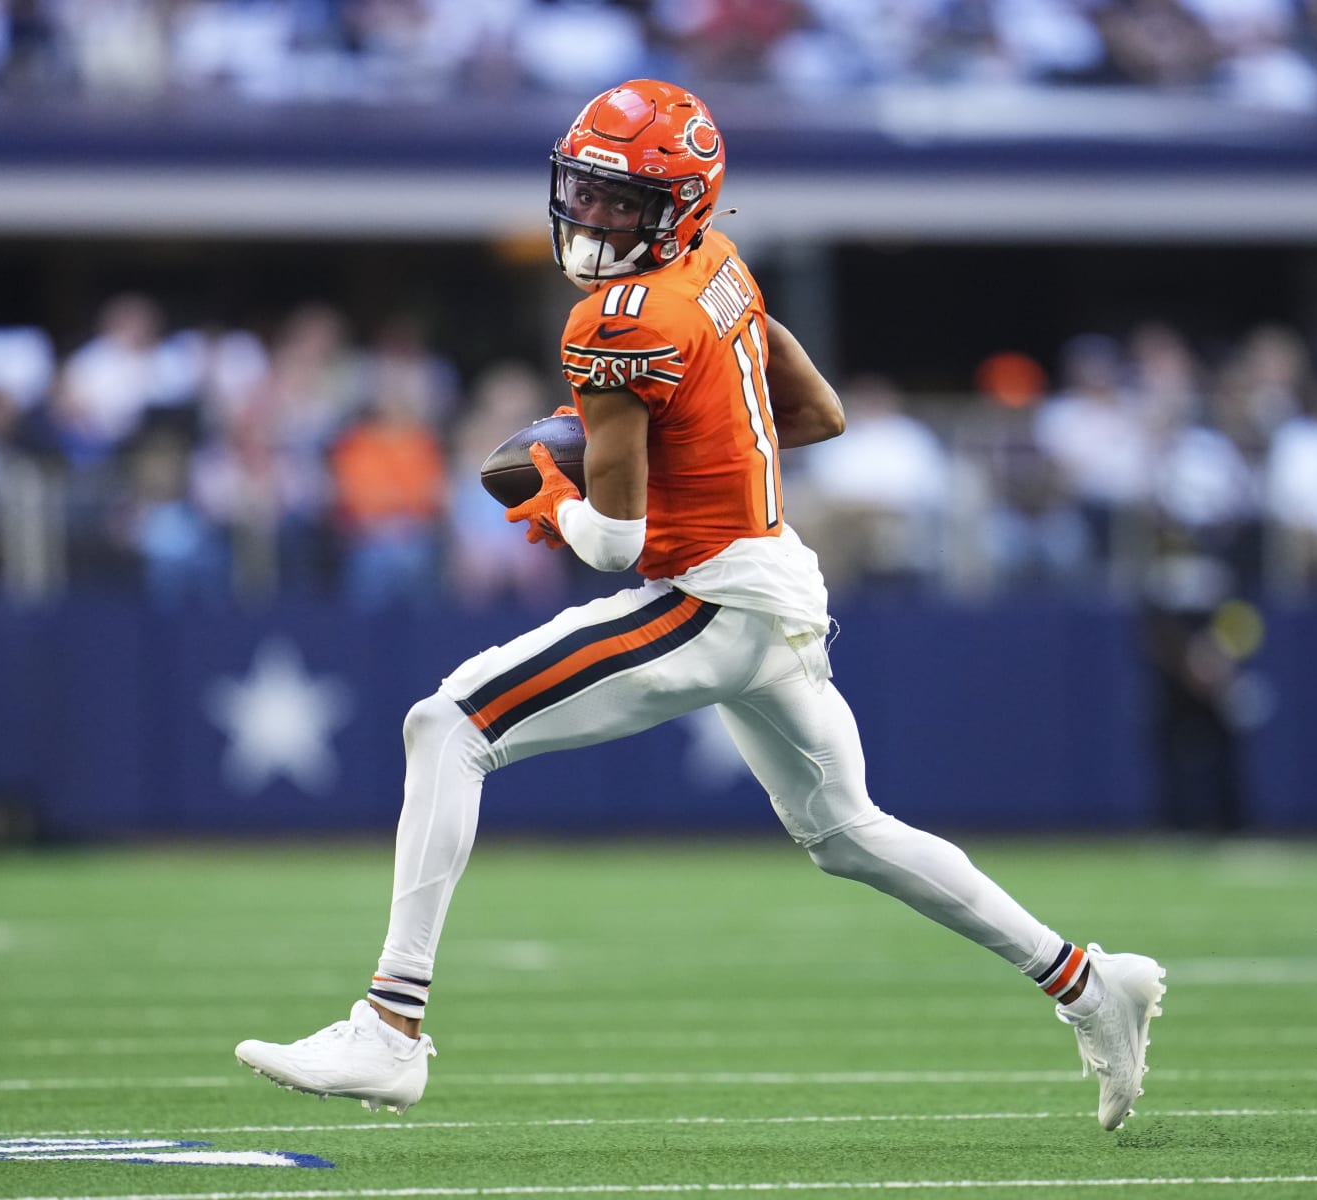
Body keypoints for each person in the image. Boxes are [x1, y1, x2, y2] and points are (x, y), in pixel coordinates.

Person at [234, 80, 1166, 1132]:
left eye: (622, 203)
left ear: (679, 204)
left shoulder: (619, 323)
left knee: (449, 722)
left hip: (713, 598)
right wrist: (683, 451)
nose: (592, 219)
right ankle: (1089, 983)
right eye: (585, 192)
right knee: (848, 831)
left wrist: (556, 496)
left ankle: (390, 1028)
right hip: (770, 579)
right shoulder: (717, 266)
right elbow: (816, 413)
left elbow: (613, 547)